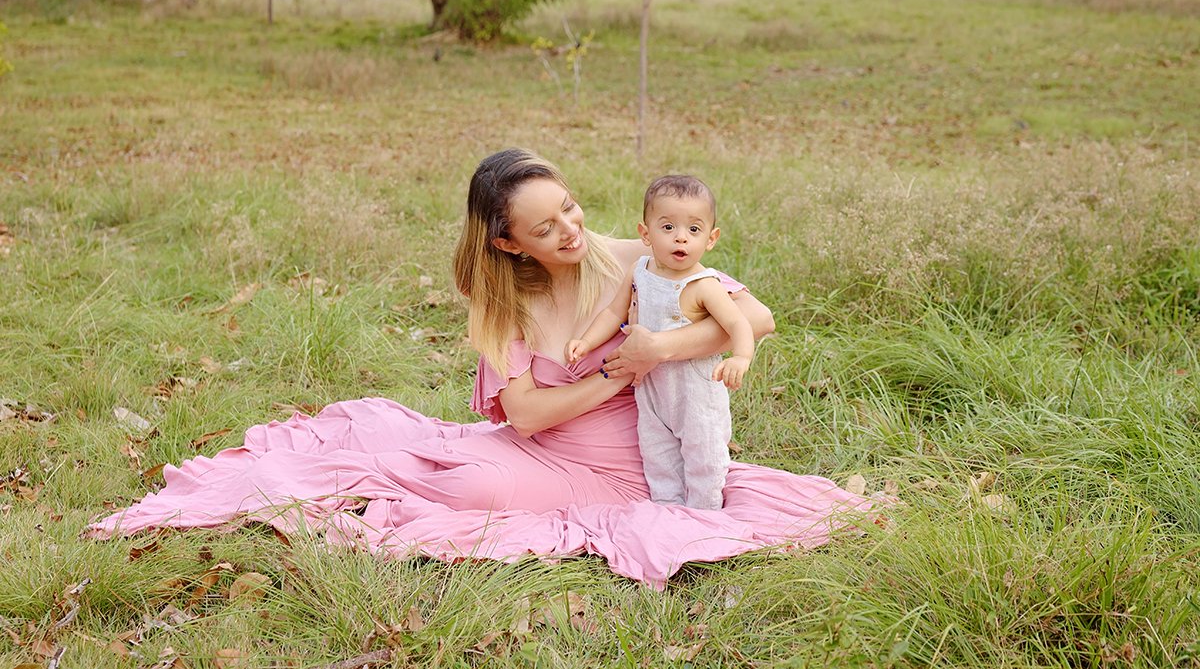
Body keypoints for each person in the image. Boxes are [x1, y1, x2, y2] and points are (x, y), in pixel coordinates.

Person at [87, 148, 881, 588]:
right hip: (548, 442)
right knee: (449, 474)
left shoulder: (640, 257)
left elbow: (760, 319)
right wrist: (613, 373)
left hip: (636, 449)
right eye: (546, 225)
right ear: (509, 242)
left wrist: (656, 351)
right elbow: (529, 414)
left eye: (570, 208)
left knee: (471, 488)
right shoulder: (499, 301)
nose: (571, 230)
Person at [566, 175, 753, 509]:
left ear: (711, 239)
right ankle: (668, 512)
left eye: (694, 230)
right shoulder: (640, 271)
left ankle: (704, 516)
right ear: (645, 234)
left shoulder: (703, 284)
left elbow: (737, 321)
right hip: (652, 387)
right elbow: (613, 312)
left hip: (695, 390)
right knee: (658, 454)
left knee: (703, 455)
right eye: (668, 228)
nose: (681, 237)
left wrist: (740, 357)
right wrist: (586, 340)